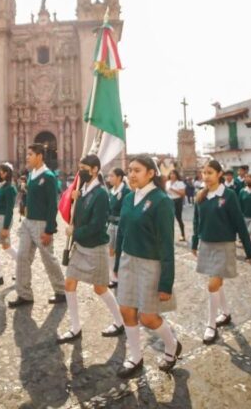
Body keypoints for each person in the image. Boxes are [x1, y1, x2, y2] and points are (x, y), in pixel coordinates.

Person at [113, 155, 180, 378]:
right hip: (128, 261)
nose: (131, 174)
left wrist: (166, 282)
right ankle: (135, 357)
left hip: (151, 264)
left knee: (148, 318)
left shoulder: (161, 201)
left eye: (137, 170)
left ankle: (172, 345)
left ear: (151, 173)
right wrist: (117, 264)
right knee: (126, 311)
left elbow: (167, 243)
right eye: (130, 170)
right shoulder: (128, 198)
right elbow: (122, 232)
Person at [56, 155, 125, 345]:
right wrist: (73, 200)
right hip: (80, 247)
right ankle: (75, 327)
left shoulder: (101, 194)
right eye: (79, 167)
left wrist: (75, 232)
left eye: (84, 168)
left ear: (95, 170)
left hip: (95, 247)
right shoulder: (82, 190)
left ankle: (120, 322)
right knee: (69, 283)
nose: (81, 171)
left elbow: (97, 225)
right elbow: (77, 216)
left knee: (100, 288)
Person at [193, 159, 251, 345]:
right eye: (204, 173)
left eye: (210, 173)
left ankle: (211, 325)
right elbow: (196, 221)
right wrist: (194, 243)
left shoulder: (229, 195)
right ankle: (226, 313)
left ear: (219, 174)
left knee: (212, 284)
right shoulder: (200, 195)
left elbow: (239, 222)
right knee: (216, 283)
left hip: (224, 246)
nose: (206, 176)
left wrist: (249, 250)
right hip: (206, 244)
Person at [7, 144, 66, 308]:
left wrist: (49, 230)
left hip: (42, 224)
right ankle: (24, 294)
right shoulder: (31, 174)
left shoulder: (48, 176)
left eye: (30, 154)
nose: (27, 157)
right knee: (22, 257)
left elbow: (53, 205)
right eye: (27, 154)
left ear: (39, 156)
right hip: (28, 222)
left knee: (48, 258)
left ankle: (61, 291)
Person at [107, 167, 132, 288]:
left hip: (120, 226)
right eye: (109, 176)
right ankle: (113, 276)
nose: (109, 178)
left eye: (112, 176)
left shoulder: (126, 191)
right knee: (110, 250)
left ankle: (120, 275)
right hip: (111, 225)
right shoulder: (111, 191)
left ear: (119, 177)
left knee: (120, 251)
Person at [165, 169, 187, 241]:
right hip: (169, 201)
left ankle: (183, 235)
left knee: (178, 218)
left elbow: (183, 194)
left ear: (176, 175)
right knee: (169, 219)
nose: (172, 175)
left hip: (177, 201)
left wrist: (173, 189)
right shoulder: (167, 182)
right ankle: (170, 236)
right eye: (171, 174)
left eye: (174, 174)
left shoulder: (180, 183)